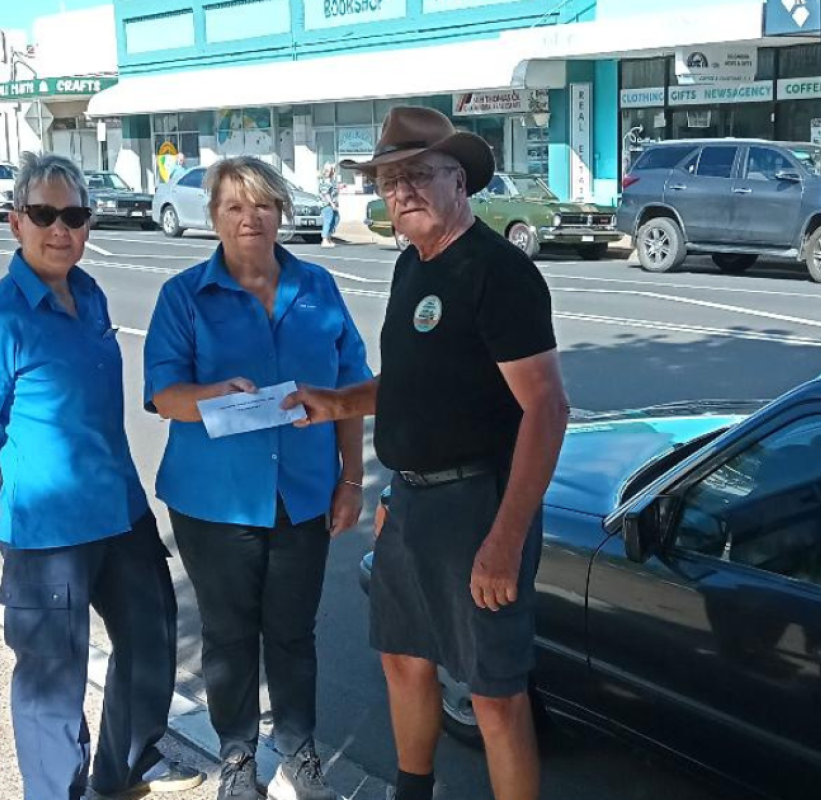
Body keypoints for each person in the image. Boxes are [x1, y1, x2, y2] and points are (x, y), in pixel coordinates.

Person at [283, 107, 569, 800]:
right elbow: (413, 384)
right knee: (404, 661)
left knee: (494, 693)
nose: (401, 190)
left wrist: (503, 541)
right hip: (413, 502)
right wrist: (338, 404)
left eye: (419, 174)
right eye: (389, 179)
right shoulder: (414, 265)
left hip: (480, 506)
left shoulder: (496, 273)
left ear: (459, 182)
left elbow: (546, 408)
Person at [0, 152, 202, 800]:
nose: (60, 229)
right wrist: (17, 513)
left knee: (151, 637)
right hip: (48, 532)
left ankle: (126, 766)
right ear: (16, 223)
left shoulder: (88, 292)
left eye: (75, 215)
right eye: (44, 214)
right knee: (51, 681)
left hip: (120, 509)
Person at [144, 156, 372, 800]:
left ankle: (299, 751)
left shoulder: (319, 288)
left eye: (263, 205)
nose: (250, 218)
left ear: (282, 213)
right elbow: (162, 394)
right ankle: (238, 757)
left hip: (302, 495)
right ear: (213, 217)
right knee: (228, 635)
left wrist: (351, 480)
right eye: (234, 207)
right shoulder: (183, 295)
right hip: (213, 502)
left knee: (294, 633)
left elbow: (351, 390)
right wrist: (212, 393)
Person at [318, 163, 341, 248]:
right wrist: (331, 204)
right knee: (328, 220)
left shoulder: (331, 180)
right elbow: (326, 194)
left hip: (332, 204)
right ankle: (324, 240)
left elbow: (332, 191)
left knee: (336, 218)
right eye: (332, 170)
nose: (333, 172)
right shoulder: (325, 180)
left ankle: (328, 238)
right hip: (326, 204)